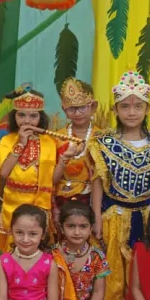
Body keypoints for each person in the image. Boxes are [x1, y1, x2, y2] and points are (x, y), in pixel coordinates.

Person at [90, 70, 150, 300]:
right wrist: (97, 217)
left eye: (138, 106)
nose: (132, 112)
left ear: (147, 109)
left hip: (146, 214)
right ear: (116, 110)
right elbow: (98, 182)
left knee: (142, 268)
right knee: (113, 270)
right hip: (114, 217)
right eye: (125, 106)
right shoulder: (104, 144)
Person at [49, 200, 133, 300]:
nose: (77, 232)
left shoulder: (97, 256)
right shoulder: (52, 255)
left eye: (83, 226)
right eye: (71, 226)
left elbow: (98, 292)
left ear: (91, 227)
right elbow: (48, 293)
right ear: (61, 227)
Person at [0, 86, 70, 252]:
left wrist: (63, 161)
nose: (27, 120)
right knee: (13, 249)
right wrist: (21, 144)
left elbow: (52, 181)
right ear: (14, 117)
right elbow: (3, 173)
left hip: (38, 204)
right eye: (21, 115)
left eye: (33, 116)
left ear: (40, 118)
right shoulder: (7, 140)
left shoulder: (49, 142)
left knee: (36, 247)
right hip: (13, 203)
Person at [54, 78, 100, 212]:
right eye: (72, 109)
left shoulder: (102, 137)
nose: (78, 113)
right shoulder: (56, 137)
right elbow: (49, 179)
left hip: (91, 200)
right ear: (64, 109)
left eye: (83, 107)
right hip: (60, 201)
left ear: (93, 106)